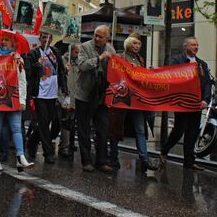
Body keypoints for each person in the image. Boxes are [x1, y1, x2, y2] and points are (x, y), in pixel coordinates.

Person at [108, 36, 159, 173]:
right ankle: (113, 157)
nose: (137, 46)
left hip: (137, 101)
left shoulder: (140, 59)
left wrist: (150, 72)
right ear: (128, 45)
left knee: (140, 130)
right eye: (134, 43)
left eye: (139, 44)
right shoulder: (120, 57)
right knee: (116, 128)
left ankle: (144, 160)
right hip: (123, 99)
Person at [160, 37, 212, 171]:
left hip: (197, 103)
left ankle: (189, 161)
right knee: (179, 129)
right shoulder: (177, 60)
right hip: (182, 103)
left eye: (197, 45)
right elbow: (171, 77)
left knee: (193, 132)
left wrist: (205, 100)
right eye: (193, 45)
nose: (196, 47)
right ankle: (165, 150)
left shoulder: (202, 64)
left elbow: (207, 83)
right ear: (186, 47)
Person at [0, 30, 34, 172]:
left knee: (16, 128)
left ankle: (20, 157)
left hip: (13, 99)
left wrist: (22, 101)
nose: (3, 42)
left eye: (7, 40)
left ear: (13, 44)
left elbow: (22, 81)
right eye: (2, 39)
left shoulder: (18, 59)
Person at [75, 25, 115, 173]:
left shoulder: (111, 50)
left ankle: (102, 161)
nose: (97, 38)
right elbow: (82, 65)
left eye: (100, 36)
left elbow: (116, 71)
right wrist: (99, 58)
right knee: (84, 129)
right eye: (95, 35)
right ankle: (86, 161)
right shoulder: (85, 47)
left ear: (107, 38)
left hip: (101, 96)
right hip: (85, 95)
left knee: (103, 129)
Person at [25, 32, 67, 164]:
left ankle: (31, 143)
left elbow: (60, 70)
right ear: (40, 39)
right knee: (43, 122)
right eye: (43, 37)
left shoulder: (55, 52)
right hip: (40, 93)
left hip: (53, 93)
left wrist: (64, 86)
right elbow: (28, 72)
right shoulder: (32, 53)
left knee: (52, 122)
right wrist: (38, 64)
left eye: (48, 37)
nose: (46, 39)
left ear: (52, 39)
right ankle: (48, 152)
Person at [58, 43, 80, 158]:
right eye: (76, 52)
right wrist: (64, 70)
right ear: (71, 51)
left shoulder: (80, 62)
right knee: (64, 121)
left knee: (71, 121)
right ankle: (64, 146)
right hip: (64, 95)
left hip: (75, 95)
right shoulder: (62, 60)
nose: (78, 54)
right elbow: (57, 76)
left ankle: (68, 144)